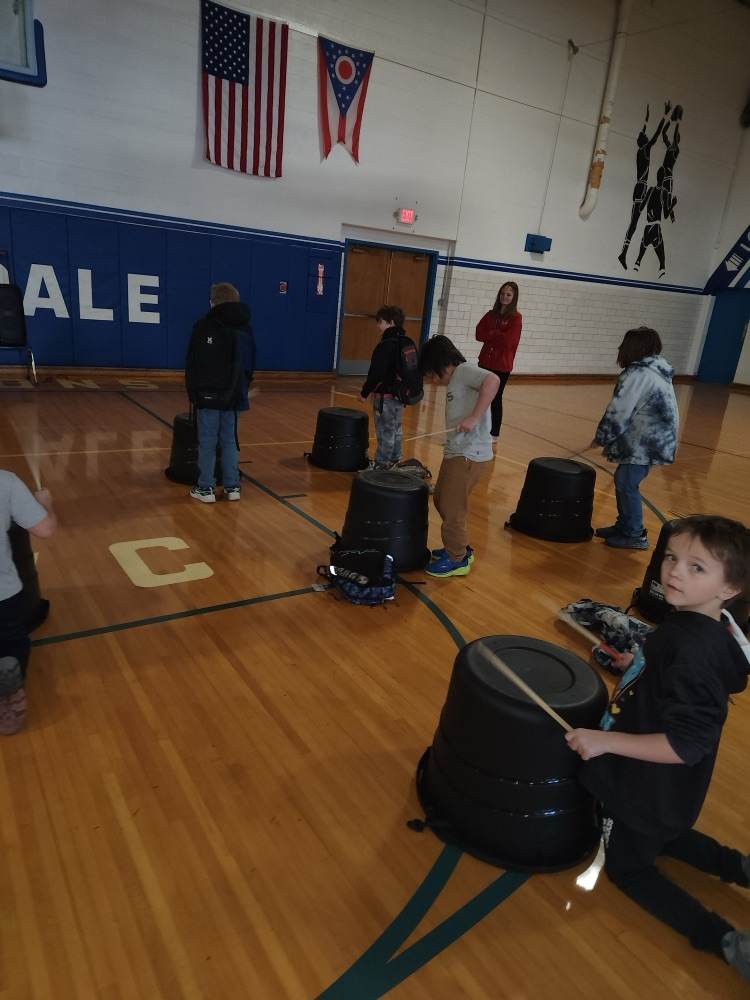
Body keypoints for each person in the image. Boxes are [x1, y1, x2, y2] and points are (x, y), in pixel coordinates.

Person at [565, 514, 750, 984]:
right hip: (668, 789)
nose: (673, 572)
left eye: (696, 568)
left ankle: (725, 942)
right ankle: (739, 867)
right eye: (672, 557)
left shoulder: (688, 649)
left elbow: (685, 743)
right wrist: (638, 664)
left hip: (646, 778)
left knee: (628, 866)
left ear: (730, 587)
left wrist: (603, 739)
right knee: (663, 830)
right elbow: (677, 681)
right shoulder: (708, 626)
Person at [589, 326, 679, 549]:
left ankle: (635, 534)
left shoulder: (638, 374)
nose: (620, 348)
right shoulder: (654, 369)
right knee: (624, 481)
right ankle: (625, 525)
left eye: (624, 344)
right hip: (651, 440)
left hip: (646, 442)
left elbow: (619, 411)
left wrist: (602, 437)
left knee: (627, 484)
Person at [418, 336, 499, 578]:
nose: (434, 378)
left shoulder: (463, 371)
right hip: (457, 451)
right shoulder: (457, 379)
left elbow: (493, 380)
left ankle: (457, 559)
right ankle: (461, 546)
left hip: (469, 453)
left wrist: (474, 417)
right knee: (442, 498)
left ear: (442, 361)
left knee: (453, 507)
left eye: (433, 372)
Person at [188, 282, 256, 503]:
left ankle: (206, 488)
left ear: (212, 302)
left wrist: (194, 393)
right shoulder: (245, 328)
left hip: (208, 396)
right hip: (235, 396)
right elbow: (250, 363)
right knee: (229, 439)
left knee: (207, 441)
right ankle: (232, 487)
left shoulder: (203, 326)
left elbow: (193, 363)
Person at [0, 472, 57, 734]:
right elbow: (45, 528)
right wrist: (44, 502)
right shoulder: (6, 481)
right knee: (11, 638)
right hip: (4, 592)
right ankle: (9, 695)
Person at [357, 305, 408, 470]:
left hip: (385, 396)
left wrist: (364, 393)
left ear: (391, 323)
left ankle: (381, 465)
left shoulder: (385, 345)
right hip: (400, 396)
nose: (378, 326)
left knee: (385, 431)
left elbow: (376, 375)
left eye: (380, 322)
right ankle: (394, 460)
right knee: (396, 429)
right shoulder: (407, 343)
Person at [475, 281, 522, 442]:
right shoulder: (490, 315)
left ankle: (494, 433)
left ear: (514, 297)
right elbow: (478, 334)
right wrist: (497, 334)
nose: (504, 297)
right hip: (485, 362)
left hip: (502, 365)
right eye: (502, 293)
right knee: (480, 396)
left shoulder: (516, 318)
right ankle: (478, 427)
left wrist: (491, 334)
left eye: (508, 294)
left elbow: (508, 341)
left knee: (495, 398)